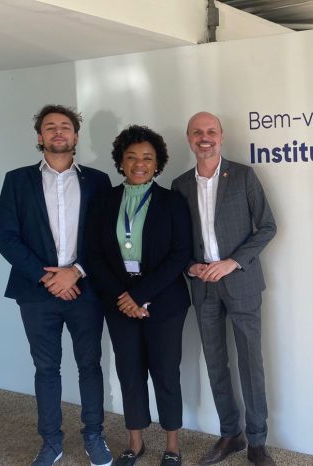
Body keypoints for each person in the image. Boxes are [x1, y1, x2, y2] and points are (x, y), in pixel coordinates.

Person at [0, 104, 113, 466]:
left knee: (90, 365)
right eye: (50, 127)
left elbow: (105, 238)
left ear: (76, 136)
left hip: (85, 291)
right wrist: (48, 277)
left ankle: (94, 435)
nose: (58, 132)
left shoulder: (98, 181)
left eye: (65, 126)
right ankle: (50, 442)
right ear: (40, 136)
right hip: (36, 292)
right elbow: (5, 237)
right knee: (46, 368)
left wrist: (75, 271)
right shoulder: (17, 180)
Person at [171, 112, 278, 466]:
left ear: (221, 136)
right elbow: (177, 239)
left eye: (211, 131)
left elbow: (267, 226)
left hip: (241, 283)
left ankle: (257, 441)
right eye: (197, 132)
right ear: (189, 138)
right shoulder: (180, 185)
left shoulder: (244, 175)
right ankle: (231, 434)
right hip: (203, 287)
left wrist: (233, 262)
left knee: (250, 363)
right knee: (216, 362)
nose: (205, 137)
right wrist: (190, 266)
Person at [85, 125, 193, 466]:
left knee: (166, 371)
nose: (139, 164)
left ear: (157, 163)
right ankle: (135, 443)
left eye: (147, 157)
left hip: (165, 301)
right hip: (119, 302)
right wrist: (124, 296)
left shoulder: (172, 201)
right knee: (129, 372)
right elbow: (93, 254)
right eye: (131, 157)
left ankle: (172, 446)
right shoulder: (103, 201)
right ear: (121, 162)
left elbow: (181, 253)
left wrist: (141, 295)